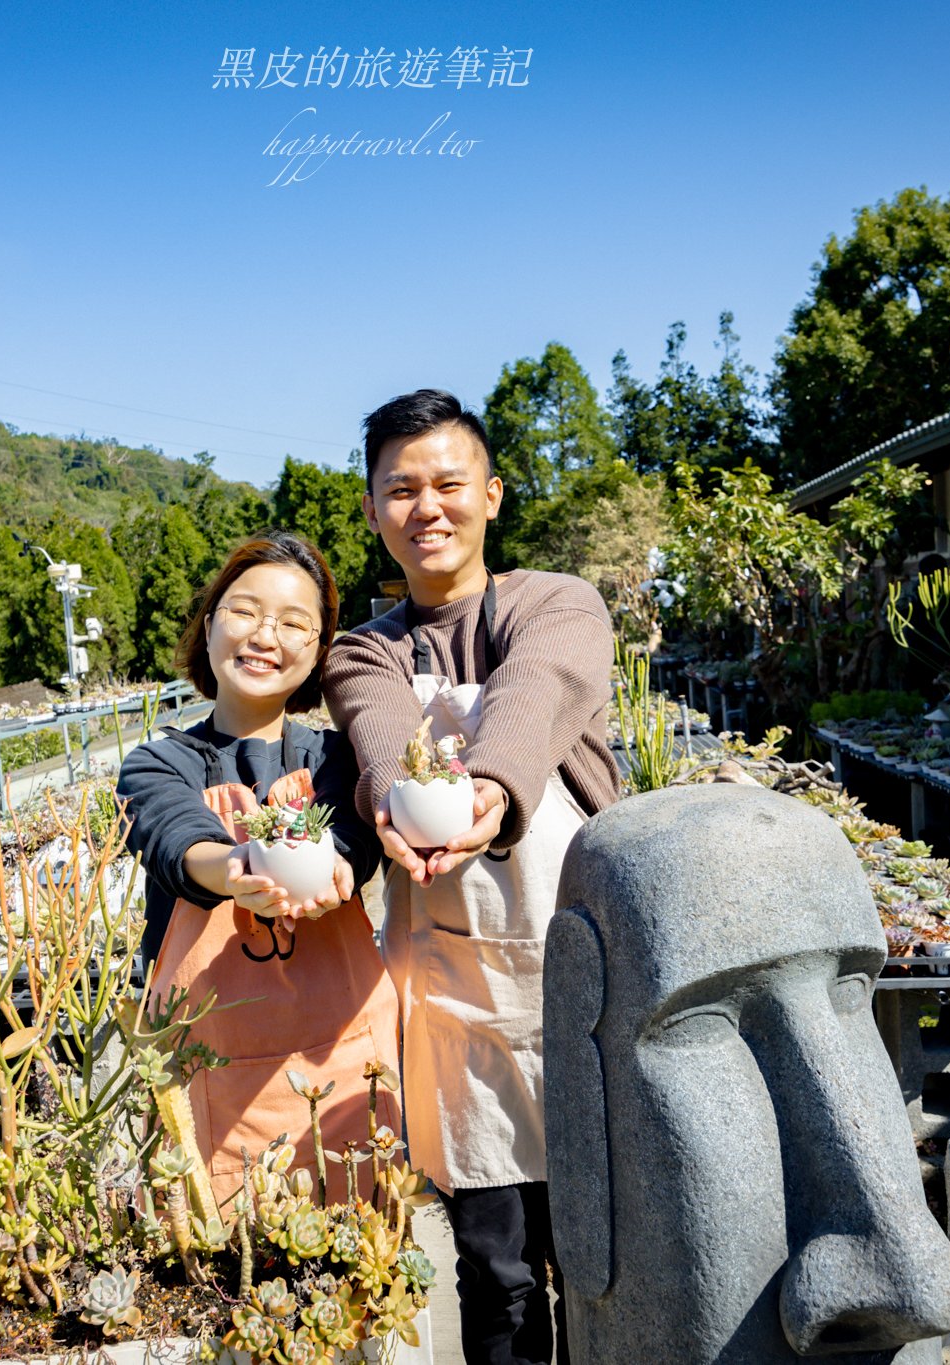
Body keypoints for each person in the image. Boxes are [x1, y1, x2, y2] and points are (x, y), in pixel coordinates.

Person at [324, 388, 618, 1365]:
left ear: (490, 494)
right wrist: (385, 803)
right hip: (457, 1011)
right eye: (399, 489)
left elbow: (534, 692)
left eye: (448, 482)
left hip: (584, 989)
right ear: (372, 511)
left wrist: (489, 786)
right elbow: (378, 740)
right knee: (493, 1278)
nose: (427, 507)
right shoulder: (363, 652)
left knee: (606, 1262)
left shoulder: (556, 605)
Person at [116, 531, 400, 1206]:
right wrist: (236, 868)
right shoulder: (157, 764)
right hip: (208, 1080)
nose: (265, 634)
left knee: (363, 1276)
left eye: (294, 622)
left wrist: (341, 863)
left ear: (319, 650)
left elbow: (356, 833)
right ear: (210, 623)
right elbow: (177, 837)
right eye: (244, 611)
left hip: (343, 1062)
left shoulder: (341, 759)